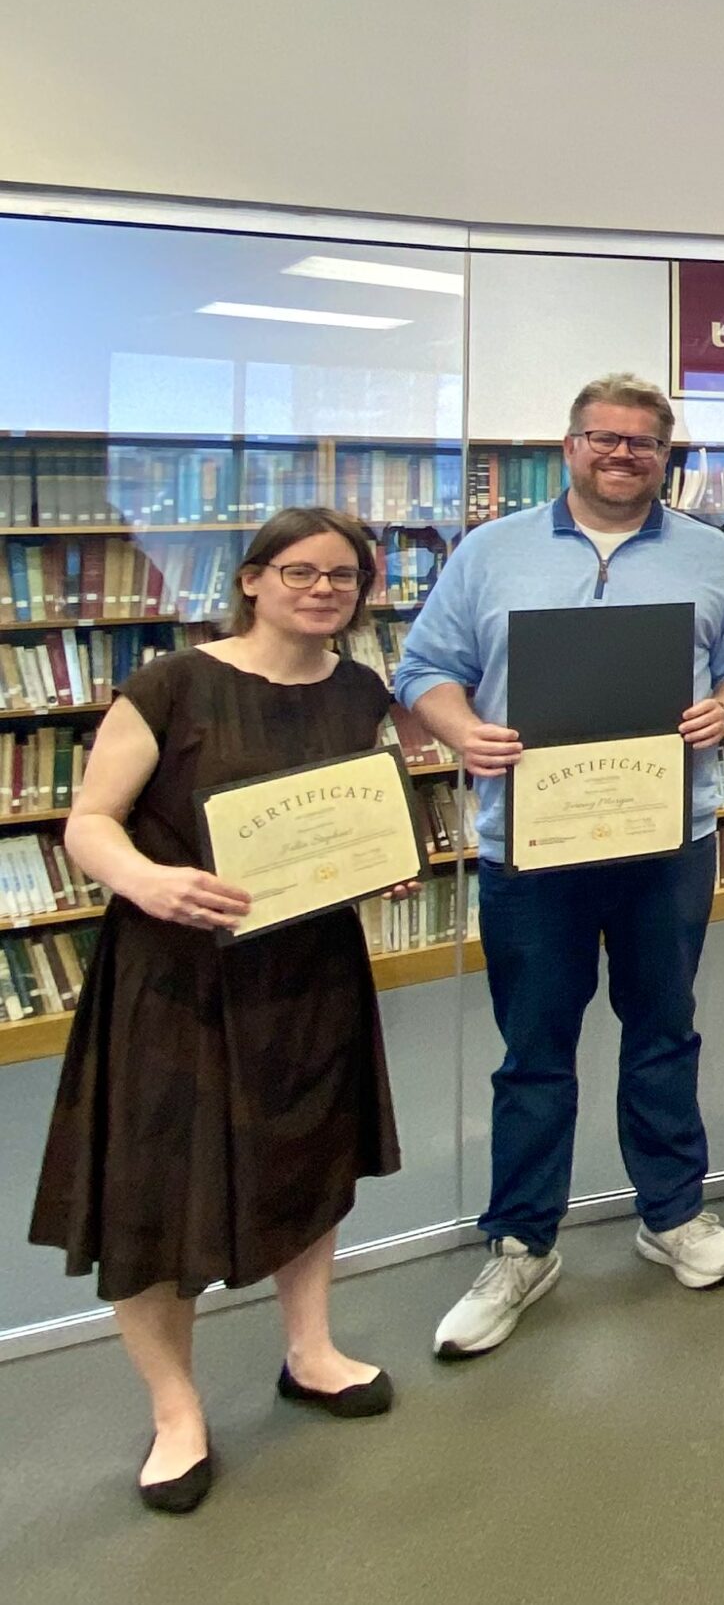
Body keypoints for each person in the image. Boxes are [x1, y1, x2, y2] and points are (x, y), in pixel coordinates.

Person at [29, 509, 403, 1513]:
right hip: (176, 975)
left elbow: (349, 812)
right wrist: (149, 883)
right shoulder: (172, 684)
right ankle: (176, 1410)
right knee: (157, 1189)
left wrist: (385, 859)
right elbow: (90, 823)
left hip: (308, 968)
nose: (324, 589)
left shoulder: (361, 689)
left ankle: (312, 1350)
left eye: (345, 576)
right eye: (300, 571)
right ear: (250, 579)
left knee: (312, 1152)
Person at [393, 372, 724, 1357]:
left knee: (663, 1030)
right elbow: (423, 670)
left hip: (665, 838)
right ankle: (522, 1241)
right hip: (534, 844)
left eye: (643, 443)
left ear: (664, 456)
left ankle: (672, 1212)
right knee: (533, 1051)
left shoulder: (711, 556)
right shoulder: (490, 552)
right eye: (604, 438)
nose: (623, 455)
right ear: (569, 446)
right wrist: (464, 730)